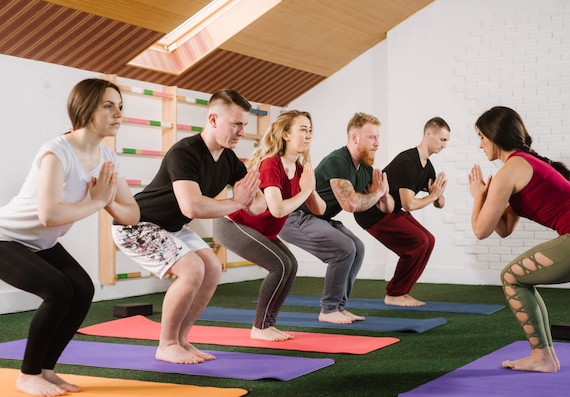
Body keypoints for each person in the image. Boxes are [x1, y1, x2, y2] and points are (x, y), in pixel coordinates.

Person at [0, 78, 140, 396]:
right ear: (85, 108)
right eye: (108, 106)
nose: (118, 113)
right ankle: (28, 374)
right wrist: (98, 201)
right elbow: (49, 214)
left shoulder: (108, 158)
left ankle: (45, 371)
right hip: (5, 238)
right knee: (58, 289)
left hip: (42, 243)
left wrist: (105, 200)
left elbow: (132, 214)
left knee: (82, 289)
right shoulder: (56, 152)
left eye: (120, 107)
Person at [112, 89, 266, 364]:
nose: (242, 131)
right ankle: (166, 343)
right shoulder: (185, 152)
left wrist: (254, 191)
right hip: (136, 225)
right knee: (192, 269)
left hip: (170, 226)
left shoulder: (229, 159)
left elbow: (257, 206)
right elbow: (192, 207)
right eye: (236, 124)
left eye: (245, 124)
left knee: (213, 268)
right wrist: (236, 201)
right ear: (213, 119)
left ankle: (181, 340)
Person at [468, 106, 570, 373]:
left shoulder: (511, 170)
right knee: (518, 279)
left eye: (481, 136)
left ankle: (542, 357)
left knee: (511, 277)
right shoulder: (523, 164)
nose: (480, 144)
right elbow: (503, 229)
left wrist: (478, 196)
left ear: (494, 135)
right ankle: (544, 356)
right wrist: (487, 196)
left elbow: (480, 231)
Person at [213, 110, 326, 341]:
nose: (308, 136)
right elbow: (277, 209)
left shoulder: (303, 169)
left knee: (290, 265)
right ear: (285, 134)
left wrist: (310, 189)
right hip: (233, 225)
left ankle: (268, 325)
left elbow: (320, 209)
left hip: (263, 230)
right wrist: (306, 191)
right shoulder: (271, 164)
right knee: (280, 266)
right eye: (303, 130)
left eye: (310, 131)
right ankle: (260, 327)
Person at [280, 112, 394, 324]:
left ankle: (339, 307)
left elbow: (386, 208)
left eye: (378, 137)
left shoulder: (365, 169)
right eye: (372, 138)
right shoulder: (338, 161)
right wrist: (375, 194)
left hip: (319, 218)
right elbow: (350, 204)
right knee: (344, 248)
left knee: (357, 247)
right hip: (295, 217)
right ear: (355, 138)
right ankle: (328, 309)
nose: (377, 143)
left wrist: (384, 193)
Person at [355, 117, 450, 307]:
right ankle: (394, 294)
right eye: (442, 139)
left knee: (428, 240)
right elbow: (410, 204)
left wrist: (438, 195)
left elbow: (439, 203)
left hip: (391, 210)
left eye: (446, 141)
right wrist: (432, 196)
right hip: (372, 212)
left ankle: (401, 292)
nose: (444, 145)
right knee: (418, 242)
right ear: (428, 134)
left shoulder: (427, 166)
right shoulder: (408, 161)